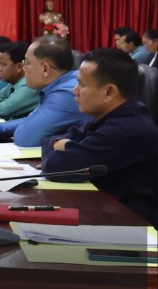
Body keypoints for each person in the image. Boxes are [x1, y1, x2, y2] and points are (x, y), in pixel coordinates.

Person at [42, 47, 158, 227]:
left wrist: (64, 147)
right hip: (106, 213)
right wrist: (62, 145)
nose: (74, 90)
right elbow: (49, 142)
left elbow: (56, 167)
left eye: (81, 85)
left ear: (109, 92)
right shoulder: (110, 116)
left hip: (131, 227)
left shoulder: (126, 129)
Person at [0, 35, 86, 147]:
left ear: (45, 69)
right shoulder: (59, 85)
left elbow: (26, 138)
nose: (23, 68)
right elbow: (31, 120)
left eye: (26, 63)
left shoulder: (66, 94)